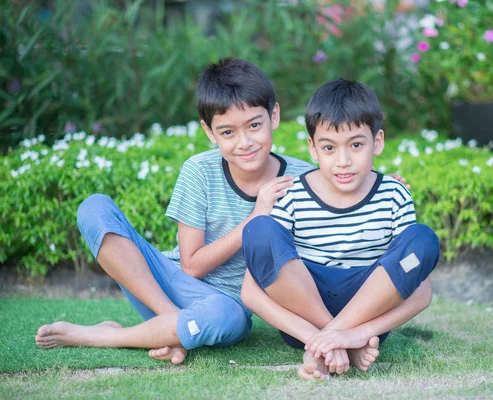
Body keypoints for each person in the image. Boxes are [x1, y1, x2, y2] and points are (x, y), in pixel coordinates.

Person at [34, 58, 410, 365]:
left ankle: (112, 335)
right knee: (94, 208)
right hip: (169, 286)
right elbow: (192, 266)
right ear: (209, 132)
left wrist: (381, 185)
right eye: (227, 132)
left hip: (232, 307)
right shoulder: (199, 170)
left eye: (254, 126)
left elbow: (347, 181)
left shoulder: (302, 176)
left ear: (274, 117)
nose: (244, 142)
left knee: (222, 315)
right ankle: (169, 324)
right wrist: (255, 215)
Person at [241, 78, 439, 380]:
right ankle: (330, 341)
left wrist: (361, 332)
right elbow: (250, 290)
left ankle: (336, 340)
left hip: (370, 308)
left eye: (356, 145)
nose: (343, 161)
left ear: (378, 141)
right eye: (329, 147)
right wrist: (321, 337)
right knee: (259, 231)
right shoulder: (293, 196)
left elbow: (421, 289)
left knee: (423, 241)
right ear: (313, 149)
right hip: (303, 310)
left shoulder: (394, 195)